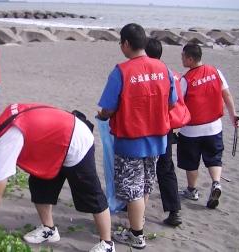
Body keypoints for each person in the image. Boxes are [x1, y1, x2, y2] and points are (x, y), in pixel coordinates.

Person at [0, 103, 115, 252]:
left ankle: (107, 244)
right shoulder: (5, 118)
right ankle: (49, 230)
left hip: (76, 140)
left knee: (91, 194)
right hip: (54, 145)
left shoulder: (8, 138)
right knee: (39, 184)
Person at [97, 23, 177, 249]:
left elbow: (108, 109)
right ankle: (137, 227)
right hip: (157, 139)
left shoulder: (122, 71)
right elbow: (172, 102)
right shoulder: (164, 69)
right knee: (145, 185)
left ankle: (137, 234)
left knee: (133, 188)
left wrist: (102, 115)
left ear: (126, 44)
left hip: (131, 140)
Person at [177, 43, 239, 209]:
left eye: (183, 56)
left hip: (191, 130)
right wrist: (233, 114)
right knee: (214, 158)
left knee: (191, 162)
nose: (182, 59)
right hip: (214, 127)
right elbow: (226, 94)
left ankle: (192, 190)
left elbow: (178, 103)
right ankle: (216, 183)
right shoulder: (215, 71)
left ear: (190, 59)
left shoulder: (186, 79)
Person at [145, 38, 191, 226]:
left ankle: (131, 207)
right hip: (166, 128)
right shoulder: (172, 74)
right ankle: (174, 211)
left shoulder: (143, 74)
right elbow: (175, 101)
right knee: (165, 168)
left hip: (146, 128)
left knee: (139, 168)